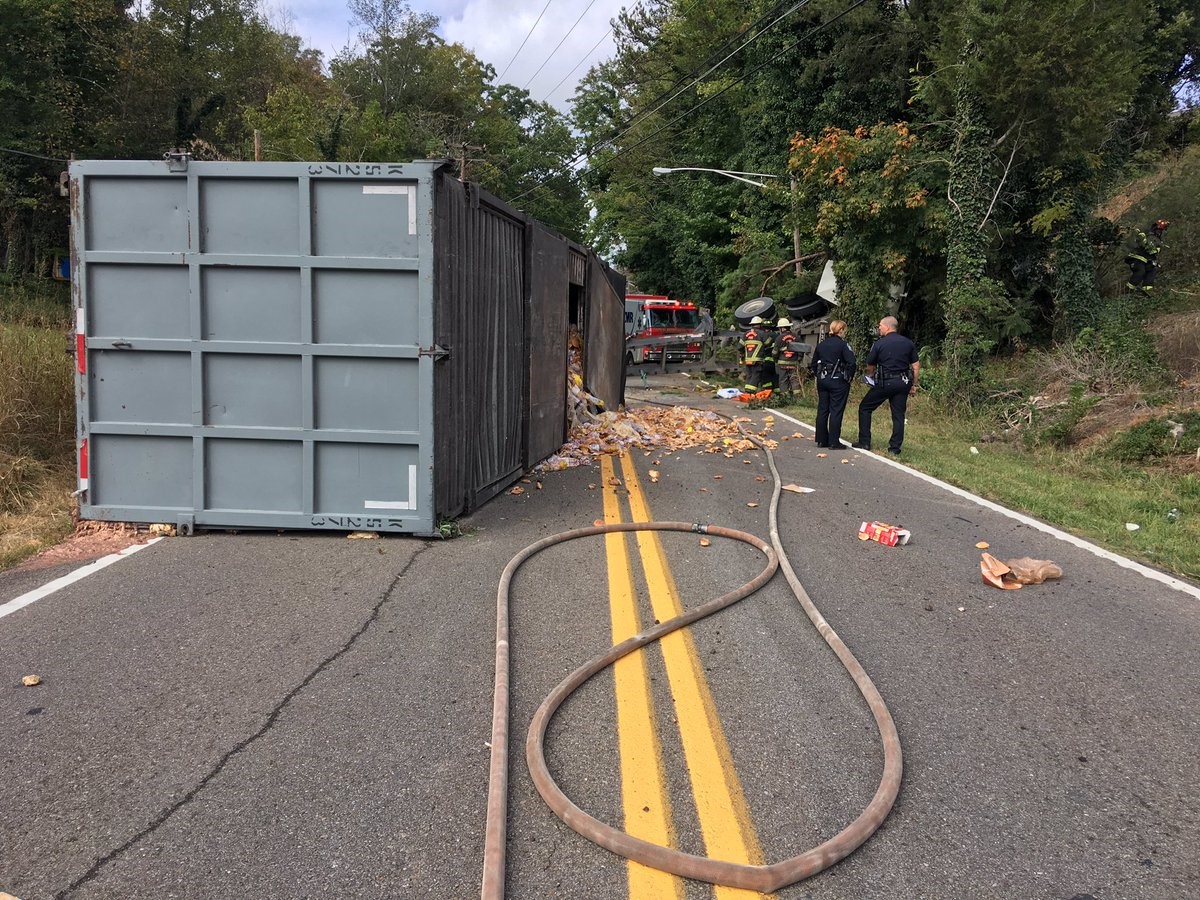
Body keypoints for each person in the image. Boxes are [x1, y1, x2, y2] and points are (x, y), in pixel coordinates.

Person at [853, 315, 919, 454]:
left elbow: (870, 365)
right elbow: (916, 366)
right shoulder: (908, 343)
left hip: (885, 382)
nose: (879, 328)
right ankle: (894, 448)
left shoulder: (879, 344)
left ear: (888, 327)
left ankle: (864, 441)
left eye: (880, 326)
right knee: (898, 415)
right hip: (903, 382)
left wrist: (871, 377)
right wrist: (914, 385)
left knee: (865, 407)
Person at [809, 319, 856, 448]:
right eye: (844, 330)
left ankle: (821, 439)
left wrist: (819, 375)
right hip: (838, 380)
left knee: (823, 409)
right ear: (840, 330)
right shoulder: (843, 345)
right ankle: (834, 441)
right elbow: (852, 362)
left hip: (823, 380)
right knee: (836, 410)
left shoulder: (822, 345)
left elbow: (813, 364)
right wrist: (849, 377)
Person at [1126, 218, 1169, 294]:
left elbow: (1154, 251)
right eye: (1159, 229)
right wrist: (1145, 243)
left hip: (1146, 259)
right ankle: (1128, 290)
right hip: (1136, 257)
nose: (1160, 231)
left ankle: (1147, 290)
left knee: (1152, 269)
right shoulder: (1145, 232)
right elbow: (1138, 241)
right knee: (1140, 271)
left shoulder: (1159, 240)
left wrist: (1154, 251)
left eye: (1162, 230)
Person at [739, 315, 775, 397]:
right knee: (756, 376)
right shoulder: (762, 334)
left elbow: (739, 347)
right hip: (758, 360)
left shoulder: (745, 334)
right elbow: (768, 343)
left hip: (748, 360)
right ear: (759, 325)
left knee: (749, 376)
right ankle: (750, 394)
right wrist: (771, 336)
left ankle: (746, 394)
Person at [775, 317, 799, 395]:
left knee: (783, 380)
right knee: (794, 380)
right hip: (793, 363)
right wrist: (799, 359)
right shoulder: (796, 337)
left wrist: (776, 359)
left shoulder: (779, 338)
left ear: (782, 328)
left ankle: (785, 398)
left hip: (782, 364)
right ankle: (797, 397)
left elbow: (775, 352)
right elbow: (801, 349)